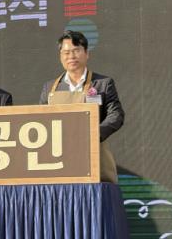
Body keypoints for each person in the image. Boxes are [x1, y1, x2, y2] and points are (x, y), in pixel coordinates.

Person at [39, 30, 124, 183]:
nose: (71, 56)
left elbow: (116, 115)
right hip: (59, 157)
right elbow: (41, 119)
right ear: (60, 56)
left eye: (76, 51)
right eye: (66, 53)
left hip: (94, 154)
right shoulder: (49, 88)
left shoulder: (103, 84)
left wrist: (94, 134)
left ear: (86, 53)